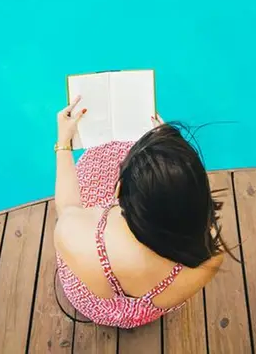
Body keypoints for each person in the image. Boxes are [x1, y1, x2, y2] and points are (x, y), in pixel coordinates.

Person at [52, 96, 231, 329]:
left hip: (98, 296)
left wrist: (63, 145)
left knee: (91, 168)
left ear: (118, 190)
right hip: (157, 300)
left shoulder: (84, 243)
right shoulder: (210, 256)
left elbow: (67, 209)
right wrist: (168, 151)